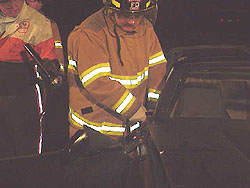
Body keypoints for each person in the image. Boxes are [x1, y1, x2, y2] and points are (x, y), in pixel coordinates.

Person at [0, 0, 60, 158]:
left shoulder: (39, 23)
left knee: (25, 150)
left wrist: (50, 67)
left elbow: (50, 58)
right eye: (5, 1)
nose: (12, 5)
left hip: (22, 95)